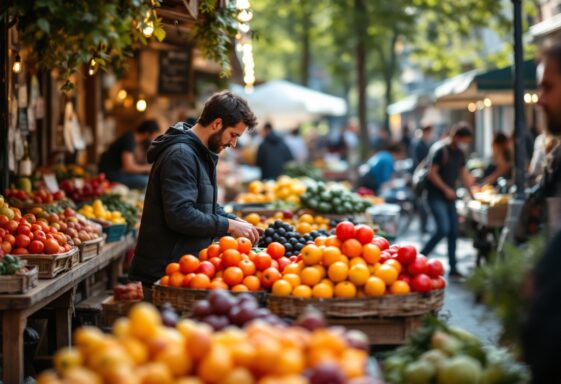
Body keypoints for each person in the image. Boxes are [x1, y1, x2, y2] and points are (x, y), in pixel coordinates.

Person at [129, 91, 260, 287]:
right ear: (216, 123)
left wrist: (236, 221)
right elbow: (181, 214)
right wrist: (229, 226)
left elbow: (205, 207)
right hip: (166, 272)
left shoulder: (201, 153)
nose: (233, 144)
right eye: (233, 135)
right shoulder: (181, 155)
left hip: (185, 266)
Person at [420, 122, 475, 278]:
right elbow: (432, 173)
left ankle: (453, 267)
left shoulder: (460, 153)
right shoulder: (440, 150)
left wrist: (473, 195)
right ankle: (420, 256)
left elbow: (463, 174)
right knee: (443, 229)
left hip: (450, 198)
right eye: (464, 140)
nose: (465, 144)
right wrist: (446, 189)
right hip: (435, 196)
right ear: (457, 137)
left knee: (454, 231)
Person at [98, 120, 160, 189]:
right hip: (111, 176)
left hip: (114, 173)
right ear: (147, 133)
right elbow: (128, 167)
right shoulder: (129, 141)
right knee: (147, 181)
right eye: (154, 136)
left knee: (146, 178)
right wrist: (148, 168)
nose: (154, 139)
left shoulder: (130, 138)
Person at [411, 124, 434, 233]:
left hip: (421, 176)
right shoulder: (419, 145)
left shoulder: (424, 144)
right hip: (420, 177)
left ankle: (424, 226)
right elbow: (420, 162)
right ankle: (423, 226)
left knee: (422, 202)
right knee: (421, 202)